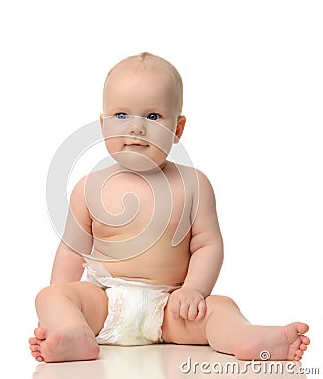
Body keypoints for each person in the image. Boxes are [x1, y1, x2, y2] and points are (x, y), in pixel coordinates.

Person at [29, 52, 309, 363]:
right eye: (121, 115)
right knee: (50, 296)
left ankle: (247, 337)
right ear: (102, 124)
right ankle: (73, 334)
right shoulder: (88, 187)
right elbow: (72, 251)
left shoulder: (193, 184)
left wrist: (193, 290)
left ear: (178, 129)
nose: (136, 128)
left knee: (220, 307)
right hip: (104, 303)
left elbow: (208, 244)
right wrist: (60, 305)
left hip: (170, 309)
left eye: (152, 116)